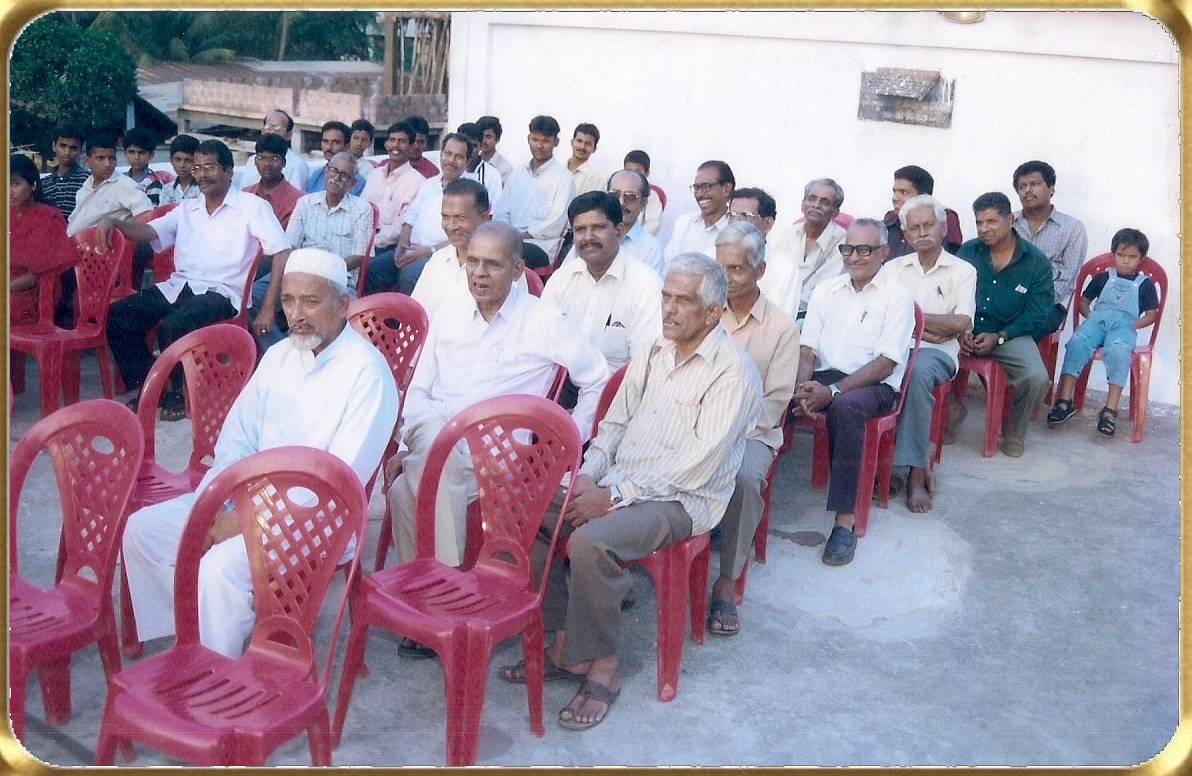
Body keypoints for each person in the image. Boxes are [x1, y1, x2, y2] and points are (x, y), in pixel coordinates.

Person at [498, 253, 761, 731]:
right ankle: (565, 642)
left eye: (683, 300)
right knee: (530, 512)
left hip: (683, 500)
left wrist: (613, 496)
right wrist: (587, 475)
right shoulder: (656, 349)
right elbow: (614, 425)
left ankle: (604, 666)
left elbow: (695, 467)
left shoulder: (733, 372)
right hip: (623, 480)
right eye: (666, 296)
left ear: (713, 312)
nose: (669, 308)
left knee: (590, 541)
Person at [121, 248, 398, 658]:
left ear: (342, 304)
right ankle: (188, 641)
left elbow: (338, 482)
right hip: (245, 499)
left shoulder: (368, 373)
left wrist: (245, 523)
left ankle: (217, 668)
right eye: (288, 301)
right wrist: (222, 502)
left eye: (311, 301)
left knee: (219, 569)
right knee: (144, 530)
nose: (297, 314)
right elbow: (238, 437)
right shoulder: (281, 356)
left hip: (316, 521)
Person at [389, 221, 609, 582]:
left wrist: (566, 440)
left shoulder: (544, 320)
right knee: (436, 451)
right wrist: (404, 445)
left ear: (517, 269)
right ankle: (443, 581)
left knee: (403, 491)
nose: (479, 273)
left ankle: (431, 583)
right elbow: (420, 389)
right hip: (435, 435)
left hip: (495, 452)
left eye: (492, 264)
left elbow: (598, 380)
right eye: (473, 262)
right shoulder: (450, 311)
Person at [99, 139, 291, 420]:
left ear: (228, 172)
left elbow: (282, 252)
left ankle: (176, 393)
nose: (202, 174)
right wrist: (115, 223)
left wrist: (267, 309)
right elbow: (149, 232)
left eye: (210, 167)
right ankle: (152, 386)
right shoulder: (188, 208)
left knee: (175, 326)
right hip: (180, 286)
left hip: (224, 293)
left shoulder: (252, 207)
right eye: (198, 168)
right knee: (119, 317)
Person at [793, 218, 915, 566]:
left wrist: (831, 392)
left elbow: (887, 363)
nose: (854, 257)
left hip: (874, 384)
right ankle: (743, 505)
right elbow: (807, 349)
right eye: (848, 249)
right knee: (773, 397)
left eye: (864, 250)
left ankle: (844, 522)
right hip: (825, 375)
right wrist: (802, 389)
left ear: (884, 252)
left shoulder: (897, 296)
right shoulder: (827, 290)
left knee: (845, 409)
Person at [709, 222, 798, 635]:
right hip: (695, 424)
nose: (726, 278)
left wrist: (722, 433)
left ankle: (728, 580)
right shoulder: (705, 311)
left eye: (736, 269)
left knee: (744, 479)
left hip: (751, 433)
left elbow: (774, 403)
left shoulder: (781, 327)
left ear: (760, 271)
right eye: (720, 268)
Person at [879, 195, 976, 512]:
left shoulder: (962, 271)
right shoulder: (891, 269)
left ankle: (916, 473)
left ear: (943, 228)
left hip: (938, 353)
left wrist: (911, 321)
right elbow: (881, 316)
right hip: (895, 345)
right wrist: (928, 325)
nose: (922, 232)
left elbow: (961, 322)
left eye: (928, 225)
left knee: (917, 372)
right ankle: (881, 464)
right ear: (905, 234)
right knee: (871, 368)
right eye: (914, 227)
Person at [952, 192, 1054, 457]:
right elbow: (950, 294)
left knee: (1037, 377)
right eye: (979, 222)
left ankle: (1014, 429)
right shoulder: (968, 252)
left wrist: (1000, 336)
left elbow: (1038, 313)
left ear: (1011, 220)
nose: (984, 229)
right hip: (964, 330)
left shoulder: (1036, 262)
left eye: (991, 221)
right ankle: (952, 411)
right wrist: (961, 331)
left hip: (1008, 333)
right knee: (924, 358)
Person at [252, 151, 374, 348]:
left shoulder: (362, 209)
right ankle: (283, 348)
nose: (336, 178)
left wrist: (325, 270)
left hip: (338, 279)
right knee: (252, 297)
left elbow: (360, 256)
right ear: (326, 171)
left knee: (352, 316)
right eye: (333, 171)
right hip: (298, 273)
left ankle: (327, 356)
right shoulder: (305, 203)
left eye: (344, 175)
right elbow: (290, 246)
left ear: (353, 183)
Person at [1048, 228, 1159, 438]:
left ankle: (1110, 410)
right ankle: (1064, 401)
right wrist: (1090, 317)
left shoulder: (1145, 285)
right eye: (1121, 255)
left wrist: (1133, 325)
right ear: (1113, 254)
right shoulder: (1103, 277)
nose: (1126, 261)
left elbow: (1152, 314)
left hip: (1123, 328)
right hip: (1096, 322)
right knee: (1078, 342)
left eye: (1132, 257)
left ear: (1141, 258)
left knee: (1119, 352)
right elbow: (1084, 301)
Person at [543, 191, 662, 379]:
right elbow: (542, 341)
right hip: (558, 381)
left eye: (598, 228)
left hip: (613, 386)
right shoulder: (562, 278)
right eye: (580, 230)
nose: (588, 237)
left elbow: (643, 364)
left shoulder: (645, 285)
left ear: (619, 231)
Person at [409, 178, 528, 323]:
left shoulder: (504, 268)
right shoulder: (438, 260)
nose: (451, 226)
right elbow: (414, 313)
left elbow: (513, 325)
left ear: (484, 218)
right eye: (446, 217)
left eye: (461, 218)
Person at [377, 133, 477, 295]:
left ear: (468, 161)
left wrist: (428, 250)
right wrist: (402, 245)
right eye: (448, 154)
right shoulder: (429, 184)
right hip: (412, 249)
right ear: (441, 154)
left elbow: (470, 233)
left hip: (443, 254)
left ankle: (411, 312)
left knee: (410, 275)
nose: (451, 160)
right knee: (376, 269)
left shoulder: (471, 191)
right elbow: (410, 217)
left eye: (458, 156)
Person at [1012, 160, 1088, 339]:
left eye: (1035, 184)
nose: (1028, 190)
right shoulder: (1008, 223)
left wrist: (1033, 302)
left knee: (1023, 329)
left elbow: (1068, 280)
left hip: (1049, 306)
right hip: (1008, 299)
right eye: (1022, 186)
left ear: (1051, 188)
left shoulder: (1072, 228)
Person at [492, 115, 576, 267]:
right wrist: (507, 235)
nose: (539, 146)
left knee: (506, 255)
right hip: (509, 240)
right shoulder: (517, 173)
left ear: (556, 142)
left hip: (540, 247)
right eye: (535, 140)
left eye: (545, 141)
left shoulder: (564, 178)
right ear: (528, 139)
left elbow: (555, 224)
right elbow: (501, 212)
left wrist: (519, 237)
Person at [759, 178, 847, 321]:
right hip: (776, 309)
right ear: (802, 205)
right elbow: (774, 274)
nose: (816, 205)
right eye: (812, 199)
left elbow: (826, 291)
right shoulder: (789, 234)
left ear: (835, 212)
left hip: (813, 317)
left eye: (825, 202)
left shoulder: (843, 243)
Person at [9, 154, 78, 325]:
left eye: (15, 184)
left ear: (33, 184)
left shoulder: (49, 218)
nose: (9, 191)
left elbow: (34, 277)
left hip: (34, 295)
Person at [559, 169, 664, 276]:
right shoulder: (589, 237)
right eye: (615, 195)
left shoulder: (651, 249)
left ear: (643, 204)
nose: (621, 202)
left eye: (630, 197)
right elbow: (564, 276)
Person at [362, 121, 424, 283]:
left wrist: (370, 245)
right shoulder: (374, 174)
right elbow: (360, 209)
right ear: (386, 144)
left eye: (402, 141)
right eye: (392, 140)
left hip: (390, 247)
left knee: (372, 268)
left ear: (412, 147)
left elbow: (401, 227)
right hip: (363, 240)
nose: (396, 145)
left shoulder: (417, 182)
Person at [66, 134, 153, 238]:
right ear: (88, 161)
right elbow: (73, 223)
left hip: (103, 245)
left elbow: (147, 216)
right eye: (101, 158)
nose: (107, 164)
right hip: (73, 242)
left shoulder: (125, 185)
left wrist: (119, 227)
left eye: (111, 158)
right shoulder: (84, 188)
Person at [882, 165, 963, 258]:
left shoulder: (943, 218)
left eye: (903, 192)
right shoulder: (889, 222)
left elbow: (952, 258)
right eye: (894, 192)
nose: (894, 198)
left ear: (924, 197)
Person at [663, 160, 733, 263]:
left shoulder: (734, 230)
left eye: (706, 187)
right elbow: (668, 264)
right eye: (696, 188)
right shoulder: (684, 223)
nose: (699, 194)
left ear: (726, 189)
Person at [242, 133, 304, 229]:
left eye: (274, 158)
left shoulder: (298, 201)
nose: (267, 164)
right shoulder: (246, 195)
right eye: (261, 158)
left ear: (284, 162)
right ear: (255, 161)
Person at [238, 109, 310, 191]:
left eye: (277, 130)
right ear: (262, 131)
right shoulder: (251, 161)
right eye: (268, 129)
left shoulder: (297, 165)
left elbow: (297, 196)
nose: (272, 133)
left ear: (289, 135)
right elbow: (243, 192)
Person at [41, 123, 90, 219]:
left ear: (80, 150)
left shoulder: (88, 181)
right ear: (54, 146)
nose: (67, 152)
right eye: (63, 146)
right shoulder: (44, 184)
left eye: (73, 148)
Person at [305, 121, 365, 196]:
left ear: (347, 146)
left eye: (336, 142)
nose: (328, 147)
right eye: (325, 141)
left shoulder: (357, 183)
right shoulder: (316, 175)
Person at [455, 121, 503, 206]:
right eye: (465, 145)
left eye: (473, 146)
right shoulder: (449, 169)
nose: (468, 150)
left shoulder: (492, 175)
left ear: (481, 146)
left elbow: (495, 209)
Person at [122, 127, 166, 207]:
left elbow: (152, 210)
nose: (136, 157)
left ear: (151, 155)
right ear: (125, 153)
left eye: (141, 153)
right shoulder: (121, 178)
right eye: (131, 152)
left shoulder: (154, 182)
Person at [622, 150, 663, 235]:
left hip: (637, 239)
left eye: (637, 172)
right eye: (628, 171)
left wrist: (631, 237)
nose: (632, 175)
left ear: (647, 173)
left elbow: (653, 225)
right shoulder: (617, 191)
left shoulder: (651, 196)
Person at [158, 134, 201, 206]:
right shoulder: (167, 189)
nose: (182, 165)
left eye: (188, 160)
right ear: (171, 160)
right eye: (178, 159)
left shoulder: (203, 189)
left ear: (197, 162)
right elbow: (163, 211)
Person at [567, 122, 605, 195]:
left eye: (588, 144)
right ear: (572, 142)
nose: (582, 147)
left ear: (594, 149)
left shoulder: (595, 179)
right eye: (579, 141)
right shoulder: (558, 169)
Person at [476, 114, 513, 182]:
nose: (483, 141)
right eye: (481, 136)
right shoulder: (472, 163)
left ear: (497, 139)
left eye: (488, 137)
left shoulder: (505, 169)